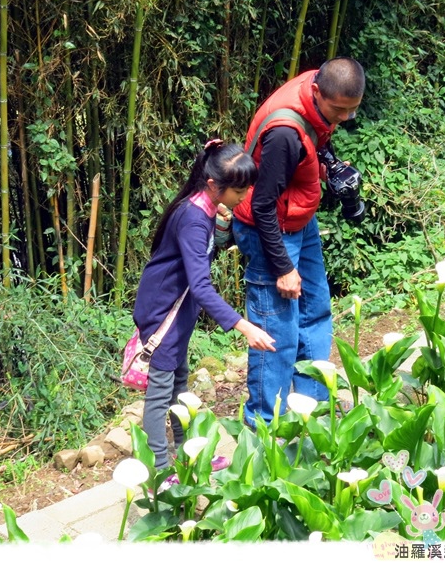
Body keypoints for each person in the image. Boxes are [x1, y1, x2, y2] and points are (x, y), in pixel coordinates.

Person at [232, 56, 365, 427]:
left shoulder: (317, 94)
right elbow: (261, 206)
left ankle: (312, 410)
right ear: (319, 92)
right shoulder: (285, 133)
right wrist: (283, 268)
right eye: (338, 110)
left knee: (316, 310)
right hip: (270, 230)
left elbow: (317, 140)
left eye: (351, 111)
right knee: (277, 331)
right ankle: (265, 426)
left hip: (299, 220)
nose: (342, 119)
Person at [133, 140, 277, 471]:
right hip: (162, 312)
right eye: (239, 190)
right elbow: (200, 285)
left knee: (179, 383)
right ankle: (159, 473)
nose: (244, 196)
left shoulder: (206, 208)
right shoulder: (193, 217)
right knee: (159, 397)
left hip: (177, 308)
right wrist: (243, 325)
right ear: (214, 185)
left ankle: (189, 455)